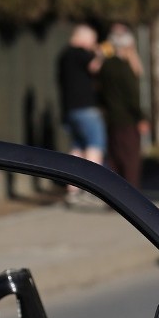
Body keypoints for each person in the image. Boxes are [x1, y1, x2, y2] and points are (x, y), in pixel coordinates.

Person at [56, 23, 105, 208]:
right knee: (95, 145)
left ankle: (73, 190)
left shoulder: (63, 55)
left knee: (76, 148)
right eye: (92, 39)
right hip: (86, 108)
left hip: (70, 109)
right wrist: (99, 53)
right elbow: (95, 67)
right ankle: (93, 189)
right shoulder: (80, 53)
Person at [98, 23, 147, 190]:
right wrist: (141, 117)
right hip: (127, 118)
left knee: (115, 158)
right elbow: (132, 95)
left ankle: (114, 194)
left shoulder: (106, 66)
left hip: (111, 117)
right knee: (130, 159)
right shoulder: (123, 67)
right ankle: (131, 196)